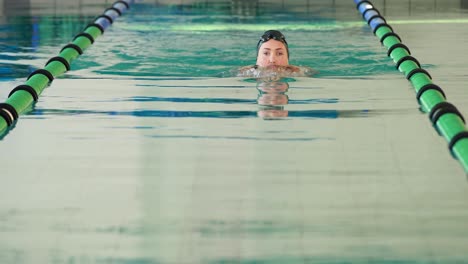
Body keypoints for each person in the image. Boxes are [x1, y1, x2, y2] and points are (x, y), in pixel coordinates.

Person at [237, 30, 316, 80]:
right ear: (257, 58)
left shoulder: (299, 73)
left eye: (279, 53)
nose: (272, 60)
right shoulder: (246, 73)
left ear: (287, 58)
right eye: (266, 53)